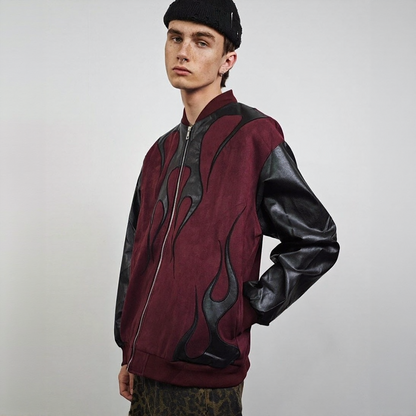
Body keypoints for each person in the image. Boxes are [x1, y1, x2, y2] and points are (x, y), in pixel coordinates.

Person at [114, 0, 340, 414]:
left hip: (207, 379)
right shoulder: (159, 153)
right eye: (175, 37)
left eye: (201, 42)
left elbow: (316, 239)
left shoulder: (255, 137)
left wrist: (247, 305)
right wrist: (130, 348)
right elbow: (136, 254)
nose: (183, 51)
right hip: (145, 368)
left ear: (227, 60)